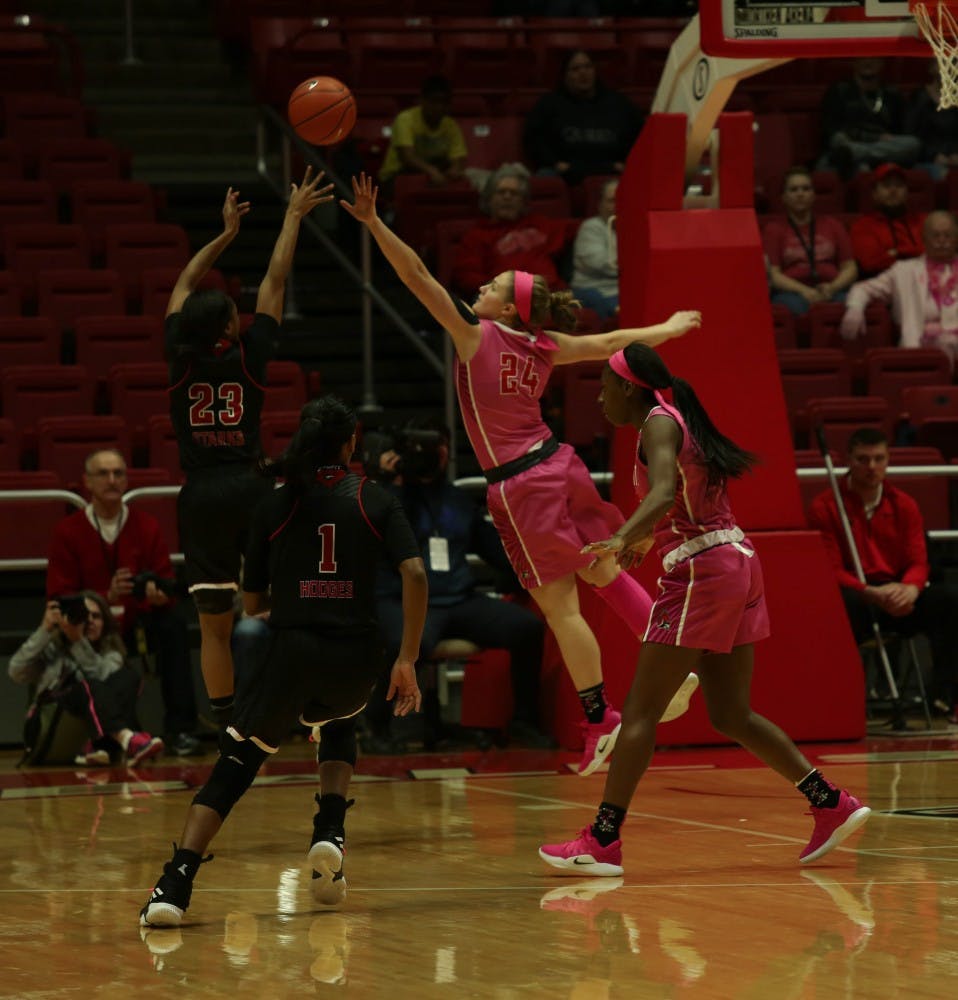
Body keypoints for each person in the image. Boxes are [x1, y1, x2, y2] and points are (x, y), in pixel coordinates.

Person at [343, 173, 701, 777]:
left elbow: (416, 279)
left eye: (491, 285)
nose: (480, 287)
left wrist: (376, 224)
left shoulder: (474, 335)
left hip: (521, 483)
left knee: (561, 610)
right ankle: (676, 664)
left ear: (506, 308)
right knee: (604, 572)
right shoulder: (543, 346)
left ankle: (600, 721)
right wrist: (664, 329)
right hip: (562, 465)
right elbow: (610, 341)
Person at [538, 343, 871, 875]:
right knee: (730, 712)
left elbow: (665, 490)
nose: (600, 399)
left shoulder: (656, 423)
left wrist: (621, 533)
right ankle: (831, 803)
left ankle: (603, 840)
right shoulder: (676, 419)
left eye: (604, 386)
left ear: (627, 386)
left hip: (703, 572)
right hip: (735, 560)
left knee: (641, 711)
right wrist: (641, 541)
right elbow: (686, 504)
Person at [139, 396, 427, 928]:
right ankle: (330, 830)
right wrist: (406, 657)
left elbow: (252, 606)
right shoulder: (374, 497)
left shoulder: (276, 504)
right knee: (341, 721)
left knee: (234, 768)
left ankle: (175, 884)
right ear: (351, 442)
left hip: (292, 653)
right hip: (358, 659)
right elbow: (414, 574)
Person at [166, 169, 332, 728]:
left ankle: (225, 724)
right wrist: (290, 217)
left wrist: (223, 236)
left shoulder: (178, 356)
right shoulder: (250, 354)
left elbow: (182, 287)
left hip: (203, 494)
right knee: (284, 604)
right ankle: (303, 705)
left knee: (214, 621)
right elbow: (275, 282)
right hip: (253, 487)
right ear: (230, 329)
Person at [362, 416, 550, 751]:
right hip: (405, 601)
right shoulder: (390, 499)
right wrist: (389, 482)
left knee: (527, 629)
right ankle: (376, 727)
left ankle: (523, 721)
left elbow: (494, 549)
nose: (434, 455)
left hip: (460, 600)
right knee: (405, 641)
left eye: (439, 447)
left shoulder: (457, 500)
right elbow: (373, 534)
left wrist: (530, 575)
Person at [46, 448, 200, 757]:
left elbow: (165, 580)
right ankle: (114, 733)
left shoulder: (146, 525)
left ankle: (181, 730)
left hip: (137, 620)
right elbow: (59, 594)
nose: (112, 480)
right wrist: (105, 599)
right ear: (87, 482)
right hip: (90, 628)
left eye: (119, 473)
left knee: (173, 624)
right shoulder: (68, 531)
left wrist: (158, 595)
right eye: (103, 474)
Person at [807, 427, 958, 721]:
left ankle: (945, 696)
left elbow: (918, 560)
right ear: (849, 460)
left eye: (879, 459)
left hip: (898, 593)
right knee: (840, 606)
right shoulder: (825, 507)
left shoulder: (905, 505)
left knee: (950, 601)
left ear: (888, 460)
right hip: (859, 596)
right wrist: (869, 592)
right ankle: (843, 702)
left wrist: (911, 588)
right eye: (863, 459)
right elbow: (831, 569)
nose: (871, 467)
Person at [9, 591, 164, 766]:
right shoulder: (52, 649)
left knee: (128, 678)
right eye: (83, 614)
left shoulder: (112, 655)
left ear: (105, 623)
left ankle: (98, 746)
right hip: (51, 727)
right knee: (87, 686)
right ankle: (128, 739)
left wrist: (78, 640)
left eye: (96, 616)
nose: (89, 620)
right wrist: (45, 628)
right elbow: (16, 671)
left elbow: (102, 679)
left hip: (92, 726)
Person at [841, 209, 958, 369]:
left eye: (948, 235)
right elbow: (864, 288)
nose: (942, 241)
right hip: (918, 348)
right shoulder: (903, 271)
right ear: (924, 239)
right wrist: (855, 308)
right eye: (936, 236)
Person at [451, 163, 576, 298]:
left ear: (523, 201)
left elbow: (579, 228)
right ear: (489, 199)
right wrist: (502, 289)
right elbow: (466, 276)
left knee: (592, 299)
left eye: (514, 193)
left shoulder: (540, 225)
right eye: (501, 192)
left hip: (552, 293)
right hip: (507, 299)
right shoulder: (477, 236)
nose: (507, 197)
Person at [523, 49, 644, 187]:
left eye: (588, 67)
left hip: (612, 171)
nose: (583, 73)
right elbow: (533, 140)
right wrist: (554, 164)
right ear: (565, 75)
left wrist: (626, 163)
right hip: (565, 173)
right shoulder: (548, 104)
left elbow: (639, 136)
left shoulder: (619, 103)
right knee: (545, 177)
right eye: (575, 69)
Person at [762, 166, 858, 316]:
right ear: (784, 197)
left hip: (831, 288)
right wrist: (804, 291)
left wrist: (832, 287)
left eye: (806, 189)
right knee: (796, 308)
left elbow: (850, 268)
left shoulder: (833, 225)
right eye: (793, 190)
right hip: (793, 292)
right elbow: (773, 275)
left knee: (851, 304)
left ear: (813, 195)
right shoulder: (773, 230)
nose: (800, 194)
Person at [820, 58, 920, 179]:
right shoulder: (838, 91)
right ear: (854, 62)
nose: (868, 62)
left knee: (913, 144)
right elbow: (831, 129)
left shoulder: (892, 93)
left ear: (882, 63)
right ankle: (856, 154)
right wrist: (873, 138)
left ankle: (855, 154)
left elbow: (902, 130)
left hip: (883, 147)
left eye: (874, 57)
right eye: (863, 57)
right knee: (839, 141)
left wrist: (882, 142)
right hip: (851, 140)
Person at [377, 75, 468, 193]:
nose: (439, 107)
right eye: (434, 101)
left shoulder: (451, 125)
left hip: (429, 175)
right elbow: (407, 157)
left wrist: (455, 169)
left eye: (444, 102)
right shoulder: (405, 119)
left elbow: (458, 157)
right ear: (422, 100)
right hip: (397, 176)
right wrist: (432, 171)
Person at [849, 162, 925, 278]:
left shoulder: (924, 221)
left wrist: (896, 252)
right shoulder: (862, 226)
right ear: (875, 194)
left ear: (907, 193)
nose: (893, 190)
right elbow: (870, 264)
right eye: (886, 185)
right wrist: (914, 253)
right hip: (883, 284)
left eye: (899, 186)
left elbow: (938, 253)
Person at [571, 177, 619, 320]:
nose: (618, 205)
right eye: (612, 200)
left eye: (622, 199)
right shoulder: (591, 227)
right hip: (595, 289)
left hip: (625, 291)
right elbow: (606, 265)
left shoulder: (634, 228)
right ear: (600, 204)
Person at [905, 61, 958, 182]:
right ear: (930, 68)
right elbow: (911, 135)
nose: (948, 66)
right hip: (926, 160)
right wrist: (933, 156)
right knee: (940, 174)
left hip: (954, 158)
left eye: (953, 63)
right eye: (943, 62)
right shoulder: (919, 97)